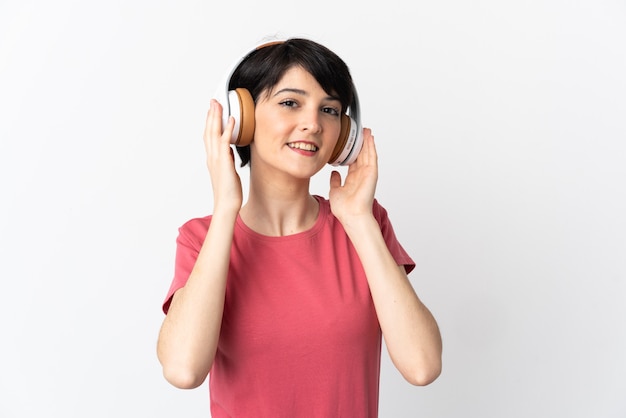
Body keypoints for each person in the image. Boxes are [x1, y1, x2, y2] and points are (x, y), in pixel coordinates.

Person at [157, 37, 442, 417]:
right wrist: (226, 207)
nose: (313, 124)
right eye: (290, 102)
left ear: (344, 134)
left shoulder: (365, 225)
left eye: (329, 110)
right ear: (241, 117)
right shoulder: (201, 239)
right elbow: (183, 369)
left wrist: (358, 220)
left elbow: (422, 366)